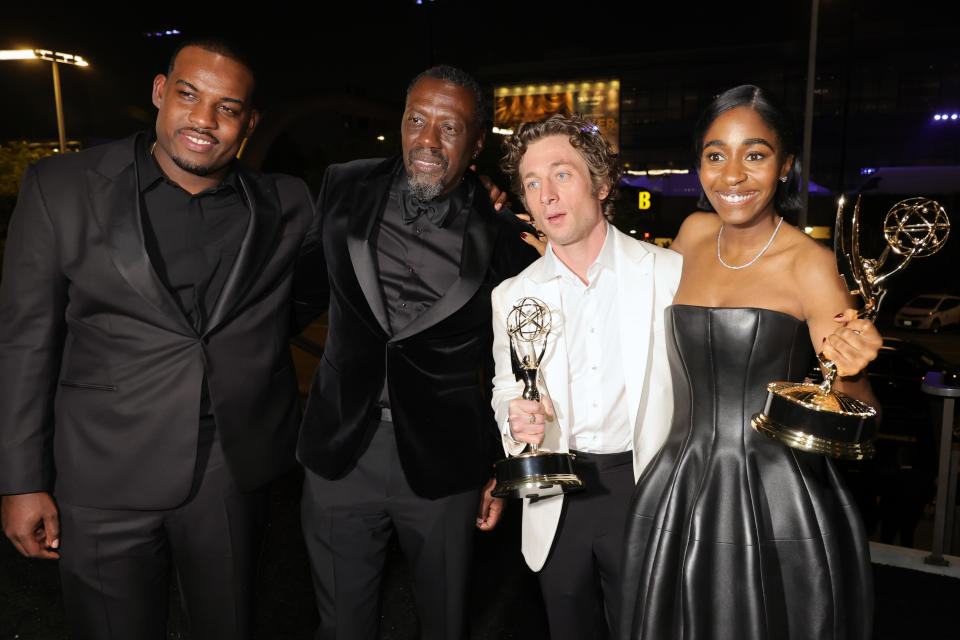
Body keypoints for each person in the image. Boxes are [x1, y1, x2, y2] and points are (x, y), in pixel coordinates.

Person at [0, 39, 314, 639]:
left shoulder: (288, 202)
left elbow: (318, 287)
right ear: (159, 92)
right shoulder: (60, 187)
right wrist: (21, 480)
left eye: (227, 108)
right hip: (100, 474)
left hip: (230, 469)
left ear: (248, 122)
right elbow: (24, 343)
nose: (203, 119)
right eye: (188, 95)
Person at [619, 85, 881, 640]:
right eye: (716, 155)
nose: (732, 175)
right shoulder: (690, 235)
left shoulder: (812, 265)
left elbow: (862, 410)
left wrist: (852, 370)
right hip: (679, 478)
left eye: (755, 155)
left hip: (776, 492)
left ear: (785, 166)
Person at [293, 64, 537, 640]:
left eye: (449, 128)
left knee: (445, 623)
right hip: (340, 454)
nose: (428, 140)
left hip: (446, 466)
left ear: (476, 143)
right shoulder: (342, 185)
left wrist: (503, 466)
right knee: (340, 627)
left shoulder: (506, 240)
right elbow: (291, 297)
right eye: (417, 121)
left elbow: (520, 366)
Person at [491, 113, 683, 639]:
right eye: (531, 182)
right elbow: (507, 385)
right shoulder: (512, 295)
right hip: (557, 495)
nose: (545, 194)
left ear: (600, 183)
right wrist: (516, 422)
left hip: (646, 488)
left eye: (561, 174)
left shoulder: (669, 274)